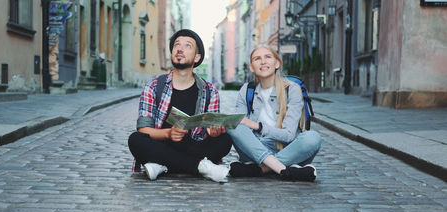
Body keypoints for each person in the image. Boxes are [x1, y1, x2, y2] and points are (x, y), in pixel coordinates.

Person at [128, 29, 232, 182]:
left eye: (187, 46)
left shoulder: (210, 91)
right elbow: (144, 128)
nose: (180, 49)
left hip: (192, 144)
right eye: (177, 45)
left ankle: (163, 165)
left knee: (225, 141)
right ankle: (201, 167)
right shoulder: (154, 85)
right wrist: (168, 133)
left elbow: (206, 132)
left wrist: (213, 132)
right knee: (136, 139)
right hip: (162, 142)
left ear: (197, 57)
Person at [227, 46, 321, 181]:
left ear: (277, 63)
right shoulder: (247, 90)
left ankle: (262, 169)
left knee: (313, 138)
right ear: (252, 67)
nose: (263, 62)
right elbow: (240, 125)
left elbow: (289, 135)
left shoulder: (292, 89)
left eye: (268, 57)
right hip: (255, 149)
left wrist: (257, 126)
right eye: (257, 59)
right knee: (233, 125)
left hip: (287, 149)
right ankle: (286, 170)